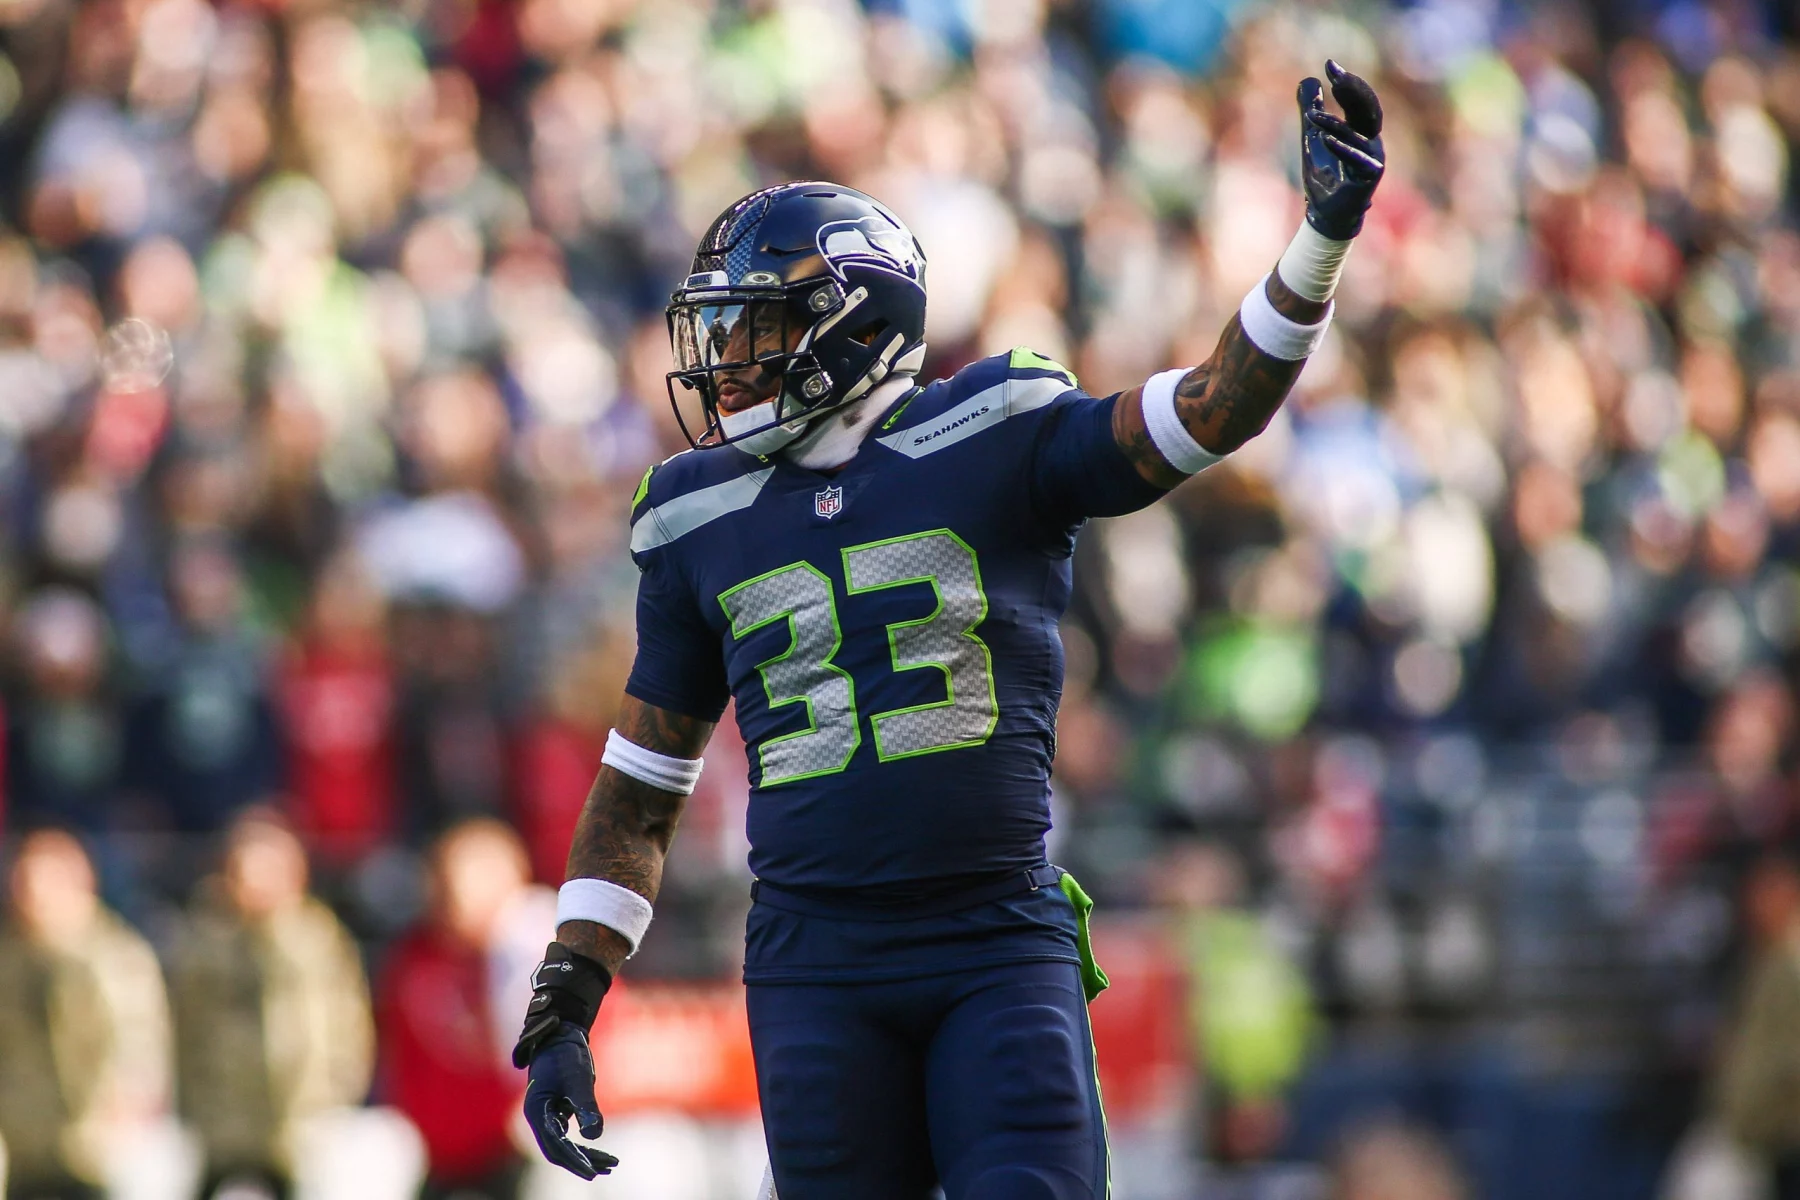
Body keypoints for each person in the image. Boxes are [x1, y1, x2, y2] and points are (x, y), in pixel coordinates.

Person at [510, 63, 1387, 1200]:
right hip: (813, 963)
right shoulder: (694, 512)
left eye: (754, 328)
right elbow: (640, 785)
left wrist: (1318, 237)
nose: (723, 362)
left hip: (990, 937)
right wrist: (566, 997)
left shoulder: (995, 429)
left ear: (846, 322)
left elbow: (1209, 408)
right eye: (719, 332)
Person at [168, 809, 374, 1199]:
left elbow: (348, 1024)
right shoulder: (204, 943)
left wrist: (336, 1093)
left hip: (302, 1120)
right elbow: (186, 1026)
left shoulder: (318, 941)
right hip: (223, 1121)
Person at [378, 819, 546, 1200]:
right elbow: (401, 1051)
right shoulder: (414, 960)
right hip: (438, 1151)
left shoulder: (534, 958)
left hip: (514, 1146)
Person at [0, 829, 171, 1200]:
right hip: (21, 1142)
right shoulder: (9, 958)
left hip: (93, 1145)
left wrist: (125, 1109)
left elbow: (138, 1041)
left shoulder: (114, 956)